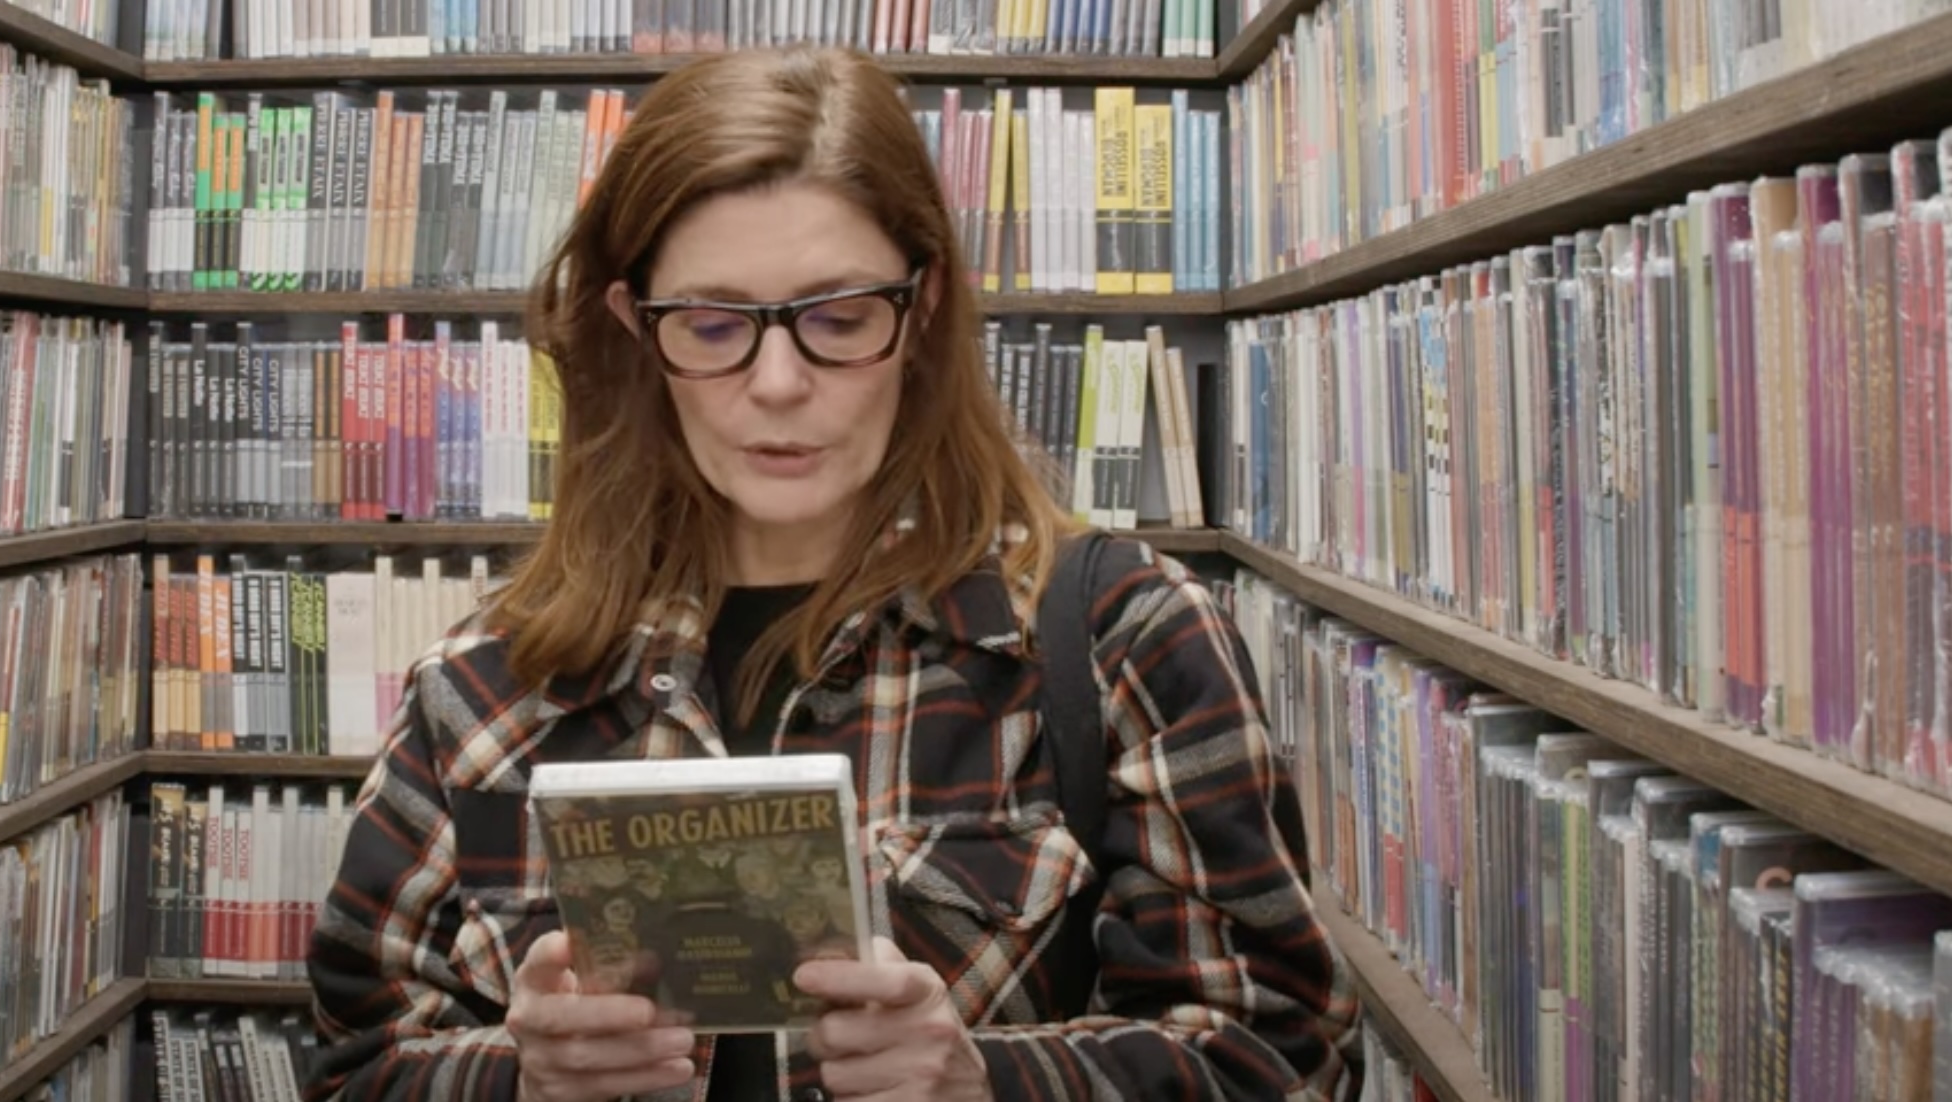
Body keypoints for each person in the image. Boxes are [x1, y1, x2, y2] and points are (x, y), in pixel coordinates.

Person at [305, 45, 1363, 1102]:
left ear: (923, 310)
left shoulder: (1121, 638)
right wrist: (522, 1083)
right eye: (713, 325)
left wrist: (988, 1083)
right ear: (637, 331)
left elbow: (1288, 1060)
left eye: (839, 318)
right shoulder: (487, 683)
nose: (776, 384)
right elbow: (355, 1064)